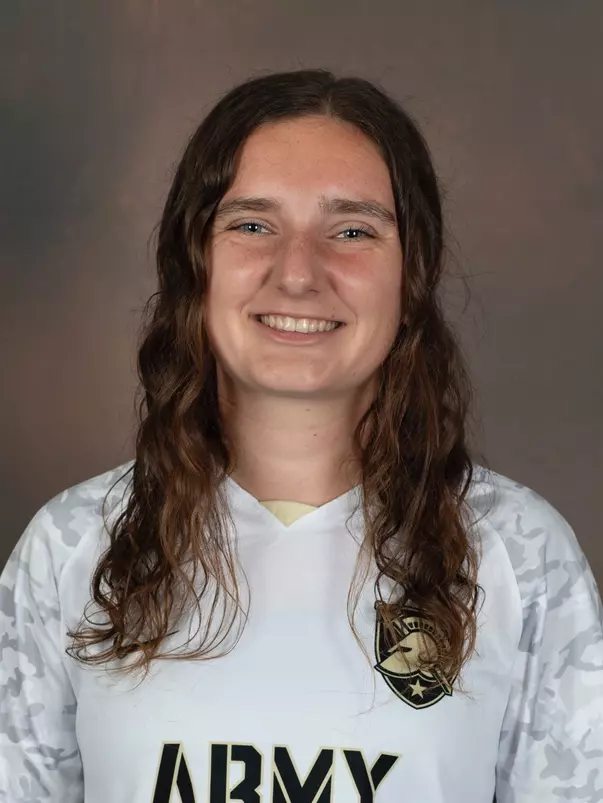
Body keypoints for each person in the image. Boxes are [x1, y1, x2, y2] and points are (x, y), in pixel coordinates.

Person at [1, 69, 602, 803]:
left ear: (413, 272)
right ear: (194, 262)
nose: (298, 272)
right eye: (253, 224)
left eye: (351, 230)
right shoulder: (73, 548)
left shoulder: (519, 556)